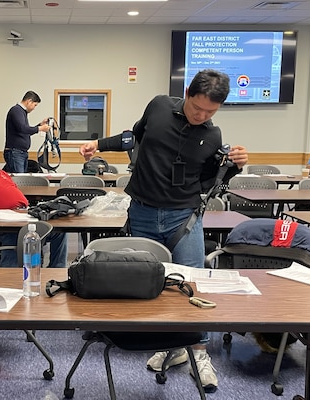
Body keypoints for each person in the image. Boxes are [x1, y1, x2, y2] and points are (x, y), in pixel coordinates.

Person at [79, 69, 249, 393]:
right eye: (197, 108)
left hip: (183, 219)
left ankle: (199, 353)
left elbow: (212, 182)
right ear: (186, 92)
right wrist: (97, 144)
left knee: (192, 285)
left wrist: (235, 165)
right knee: (150, 281)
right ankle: (166, 345)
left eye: (210, 112)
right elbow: (133, 137)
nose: (202, 116)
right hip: (142, 211)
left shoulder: (212, 136)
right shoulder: (157, 107)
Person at [0, 145, 68, 267]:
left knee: (59, 230)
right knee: (17, 234)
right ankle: (10, 278)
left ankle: (56, 271)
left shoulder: (3, 174)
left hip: (24, 215)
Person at [4, 90, 50, 173]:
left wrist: (40, 125)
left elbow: (25, 131)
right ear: (29, 101)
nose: (34, 108)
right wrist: (40, 128)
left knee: (22, 180)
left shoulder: (21, 112)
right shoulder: (16, 110)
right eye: (34, 105)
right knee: (19, 181)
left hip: (20, 153)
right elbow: (23, 128)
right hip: (15, 152)